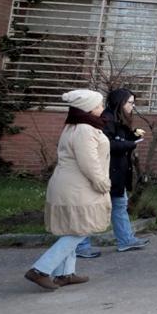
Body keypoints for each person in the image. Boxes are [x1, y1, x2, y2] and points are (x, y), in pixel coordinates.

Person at [24, 90, 111, 291]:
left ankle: (65, 274)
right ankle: (40, 270)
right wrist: (102, 183)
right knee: (82, 229)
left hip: (71, 185)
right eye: (98, 106)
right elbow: (88, 162)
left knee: (74, 227)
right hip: (79, 187)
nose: (102, 109)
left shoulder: (76, 126)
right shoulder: (84, 130)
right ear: (87, 109)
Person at [101, 88, 148, 252]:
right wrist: (131, 144)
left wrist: (133, 136)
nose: (132, 107)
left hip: (117, 171)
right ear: (120, 102)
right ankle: (81, 245)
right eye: (130, 103)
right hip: (108, 171)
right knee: (97, 208)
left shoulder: (117, 118)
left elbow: (120, 138)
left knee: (119, 204)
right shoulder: (107, 118)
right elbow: (107, 144)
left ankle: (126, 240)